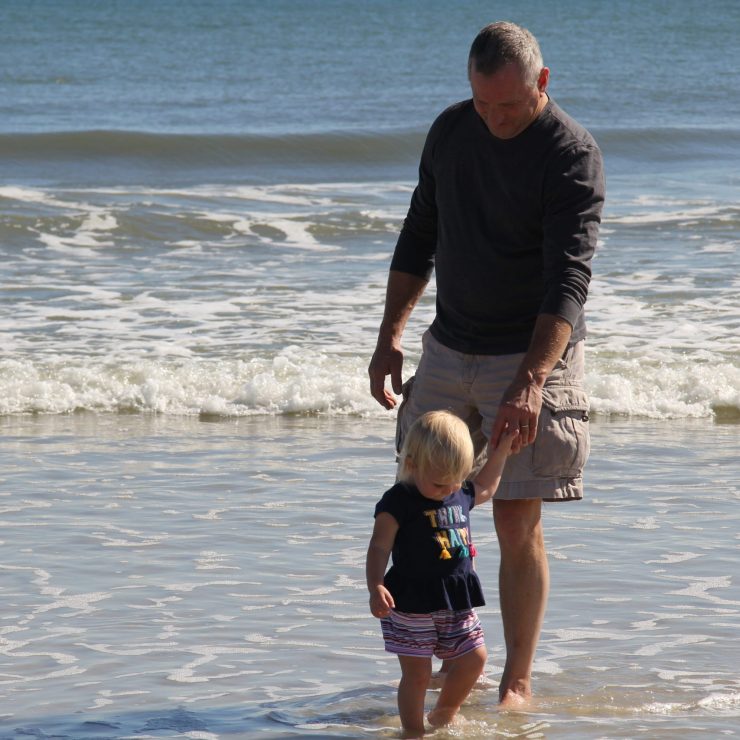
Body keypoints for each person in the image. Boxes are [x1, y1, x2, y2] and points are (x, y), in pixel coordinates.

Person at [368, 21, 605, 707]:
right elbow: (420, 232)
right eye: (483, 104)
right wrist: (391, 334)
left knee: (513, 519)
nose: (496, 120)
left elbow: (568, 281)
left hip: (532, 350)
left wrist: (531, 383)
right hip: (450, 341)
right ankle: (436, 650)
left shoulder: (571, 155)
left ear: (543, 83)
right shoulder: (450, 132)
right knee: (421, 500)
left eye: (511, 105)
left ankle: (516, 680)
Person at [366, 410, 517, 737]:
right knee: (417, 675)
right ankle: (414, 731)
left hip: (456, 600)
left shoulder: (458, 492)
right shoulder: (399, 501)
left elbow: (487, 486)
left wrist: (502, 449)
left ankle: (445, 711)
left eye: (454, 479)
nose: (447, 487)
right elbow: (379, 547)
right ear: (412, 464)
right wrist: (375, 585)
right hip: (411, 603)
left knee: (475, 659)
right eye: (438, 482)